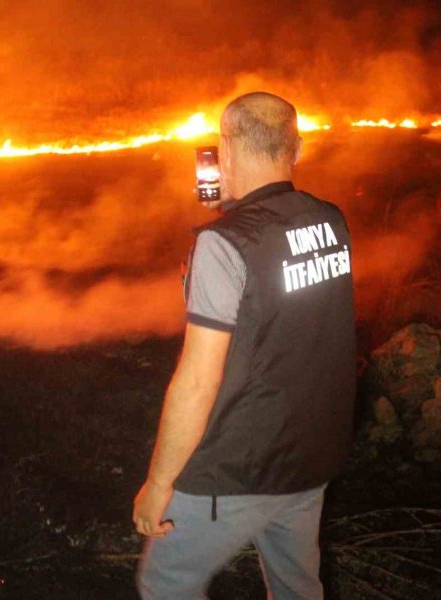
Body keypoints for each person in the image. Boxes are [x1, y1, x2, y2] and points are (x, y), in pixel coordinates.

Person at [133, 91, 356, 600]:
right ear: (295, 150)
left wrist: (159, 483)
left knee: (166, 585)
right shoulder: (331, 221)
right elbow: (285, 313)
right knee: (297, 588)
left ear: (225, 151)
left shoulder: (223, 244)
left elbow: (197, 380)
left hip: (238, 469)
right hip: (311, 459)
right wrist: (233, 216)